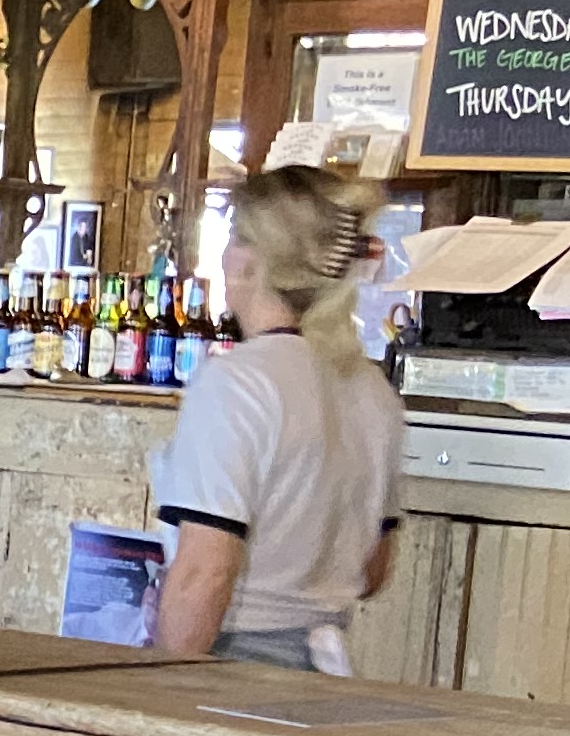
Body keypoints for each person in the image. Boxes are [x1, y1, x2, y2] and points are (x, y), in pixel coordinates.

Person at [150, 167, 404, 670]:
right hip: (324, 669)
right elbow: (372, 572)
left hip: (231, 667)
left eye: (232, 238)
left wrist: (159, 679)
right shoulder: (373, 390)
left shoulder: (236, 383)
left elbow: (205, 575)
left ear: (249, 260)